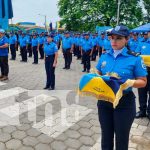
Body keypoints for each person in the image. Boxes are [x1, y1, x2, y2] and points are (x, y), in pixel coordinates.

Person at [96, 25, 147, 150]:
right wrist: (95, 77)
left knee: (121, 139)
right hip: (104, 101)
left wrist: (129, 82)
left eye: (118, 38)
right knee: (106, 137)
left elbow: (143, 82)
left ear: (127, 39)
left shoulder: (134, 58)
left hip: (124, 103)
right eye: (112, 38)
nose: (114, 41)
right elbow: (98, 72)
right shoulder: (104, 55)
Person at [135, 42, 150, 120]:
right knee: (142, 92)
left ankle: (149, 112)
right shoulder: (142, 43)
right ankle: (142, 111)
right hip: (143, 71)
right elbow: (136, 54)